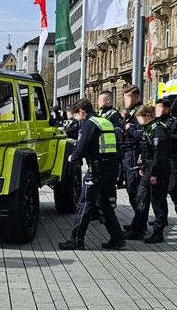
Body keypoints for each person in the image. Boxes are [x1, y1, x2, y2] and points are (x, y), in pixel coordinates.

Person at [58, 99, 125, 251]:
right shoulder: (105, 121)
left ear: (82, 111)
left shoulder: (89, 124)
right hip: (110, 168)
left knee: (85, 204)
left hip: (96, 170)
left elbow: (81, 147)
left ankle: (76, 240)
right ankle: (117, 238)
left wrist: (73, 157)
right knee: (104, 204)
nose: (76, 118)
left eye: (77, 115)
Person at [123, 105, 171, 244]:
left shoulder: (158, 130)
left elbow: (159, 154)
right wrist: (143, 166)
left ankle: (158, 231)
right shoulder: (148, 128)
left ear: (148, 115)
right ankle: (137, 229)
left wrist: (154, 174)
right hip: (149, 168)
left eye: (140, 118)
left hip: (158, 170)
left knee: (157, 201)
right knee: (141, 198)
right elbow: (146, 150)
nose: (138, 121)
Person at [154, 98, 177, 226]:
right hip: (158, 160)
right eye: (156, 107)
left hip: (171, 159)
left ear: (167, 109)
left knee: (173, 188)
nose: (156, 110)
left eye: (159, 108)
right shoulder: (155, 123)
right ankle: (162, 218)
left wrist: (169, 137)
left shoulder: (176, 123)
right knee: (158, 190)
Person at [120, 86, 144, 207]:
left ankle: (140, 221)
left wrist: (129, 129)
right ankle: (138, 220)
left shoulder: (141, 112)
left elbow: (141, 135)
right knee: (130, 187)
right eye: (124, 98)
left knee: (134, 187)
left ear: (136, 97)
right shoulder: (131, 112)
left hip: (135, 152)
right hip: (127, 152)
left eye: (128, 97)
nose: (125, 101)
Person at [96, 91, 125, 189]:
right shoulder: (99, 113)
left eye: (100, 100)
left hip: (110, 150)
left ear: (108, 100)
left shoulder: (115, 115)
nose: (98, 102)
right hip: (99, 149)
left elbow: (118, 133)